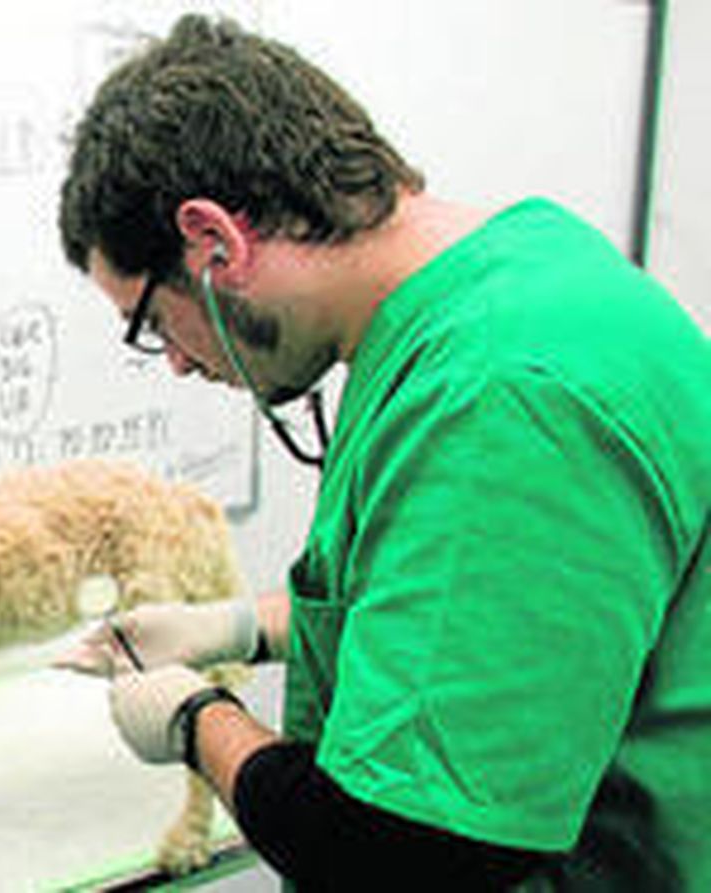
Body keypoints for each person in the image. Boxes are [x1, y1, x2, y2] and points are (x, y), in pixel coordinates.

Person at [55, 14, 709, 891]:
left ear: (214, 242)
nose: (173, 360)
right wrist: (244, 626)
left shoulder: (497, 398)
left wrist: (196, 718)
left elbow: (399, 856)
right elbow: (468, 608)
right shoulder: (515, 271)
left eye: (151, 322)